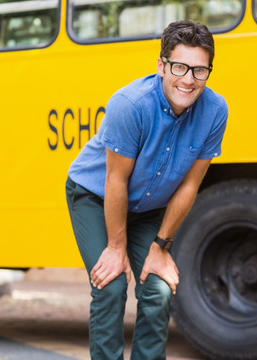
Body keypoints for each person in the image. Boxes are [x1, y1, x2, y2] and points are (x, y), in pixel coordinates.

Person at [65, 20, 228, 360]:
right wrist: (115, 247)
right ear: (161, 65)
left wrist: (161, 246)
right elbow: (115, 181)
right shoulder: (130, 104)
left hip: (148, 208)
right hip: (96, 196)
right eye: (180, 67)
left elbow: (189, 185)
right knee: (110, 284)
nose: (188, 80)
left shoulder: (215, 110)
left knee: (157, 287)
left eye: (200, 71)